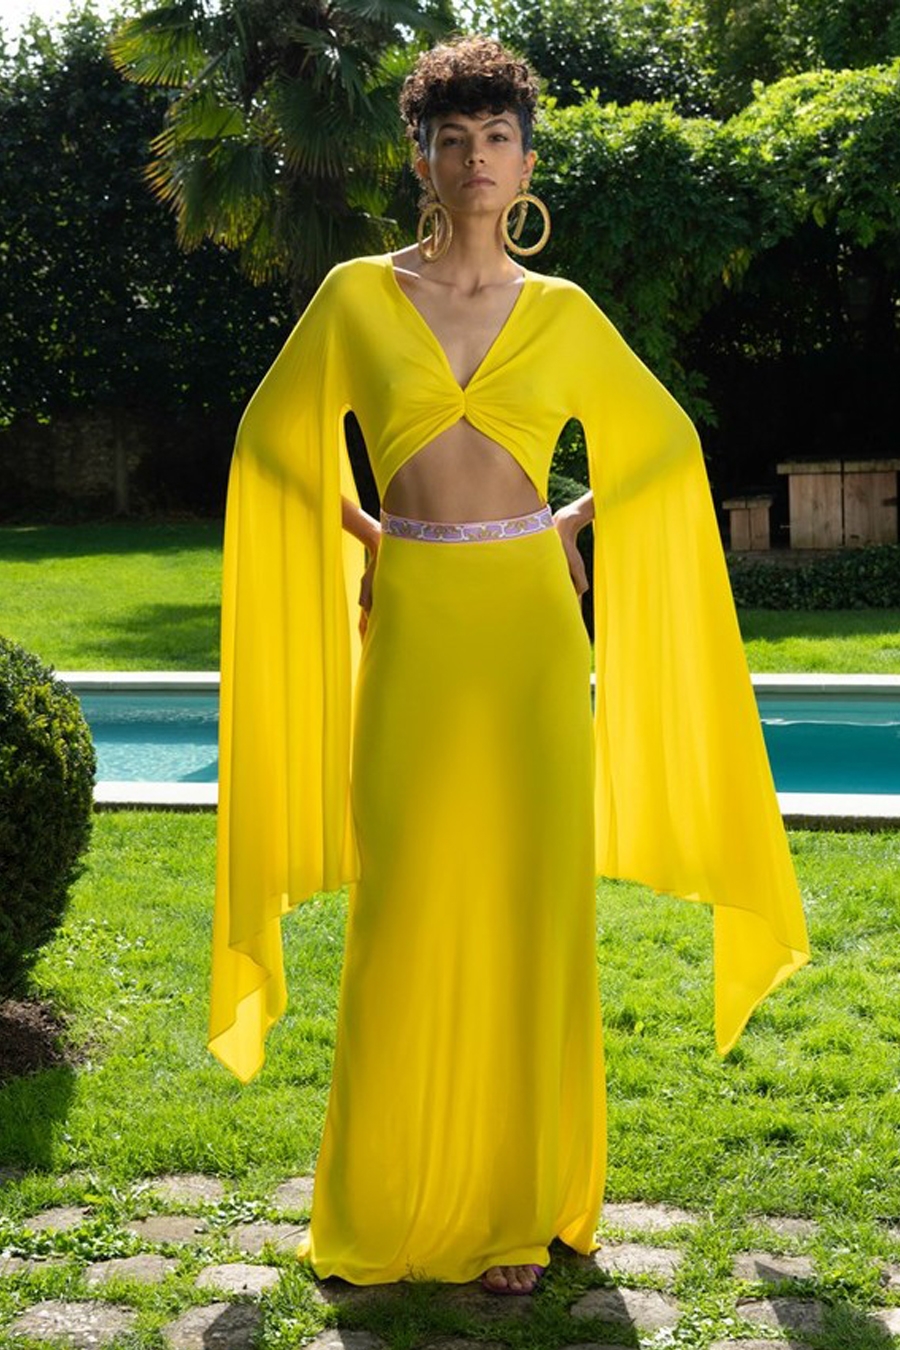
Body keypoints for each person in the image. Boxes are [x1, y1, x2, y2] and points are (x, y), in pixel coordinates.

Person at [208, 36, 810, 1296]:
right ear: (421, 161)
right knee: (406, 905)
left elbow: (664, 448)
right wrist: (375, 535)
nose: (475, 159)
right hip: (419, 627)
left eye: (497, 138)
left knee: (534, 914)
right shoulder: (355, 299)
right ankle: (383, 1200)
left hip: (533, 636)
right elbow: (271, 448)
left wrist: (567, 522)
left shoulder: (565, 314)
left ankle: (515, 1214)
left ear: (526, 163)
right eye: (452, 139)